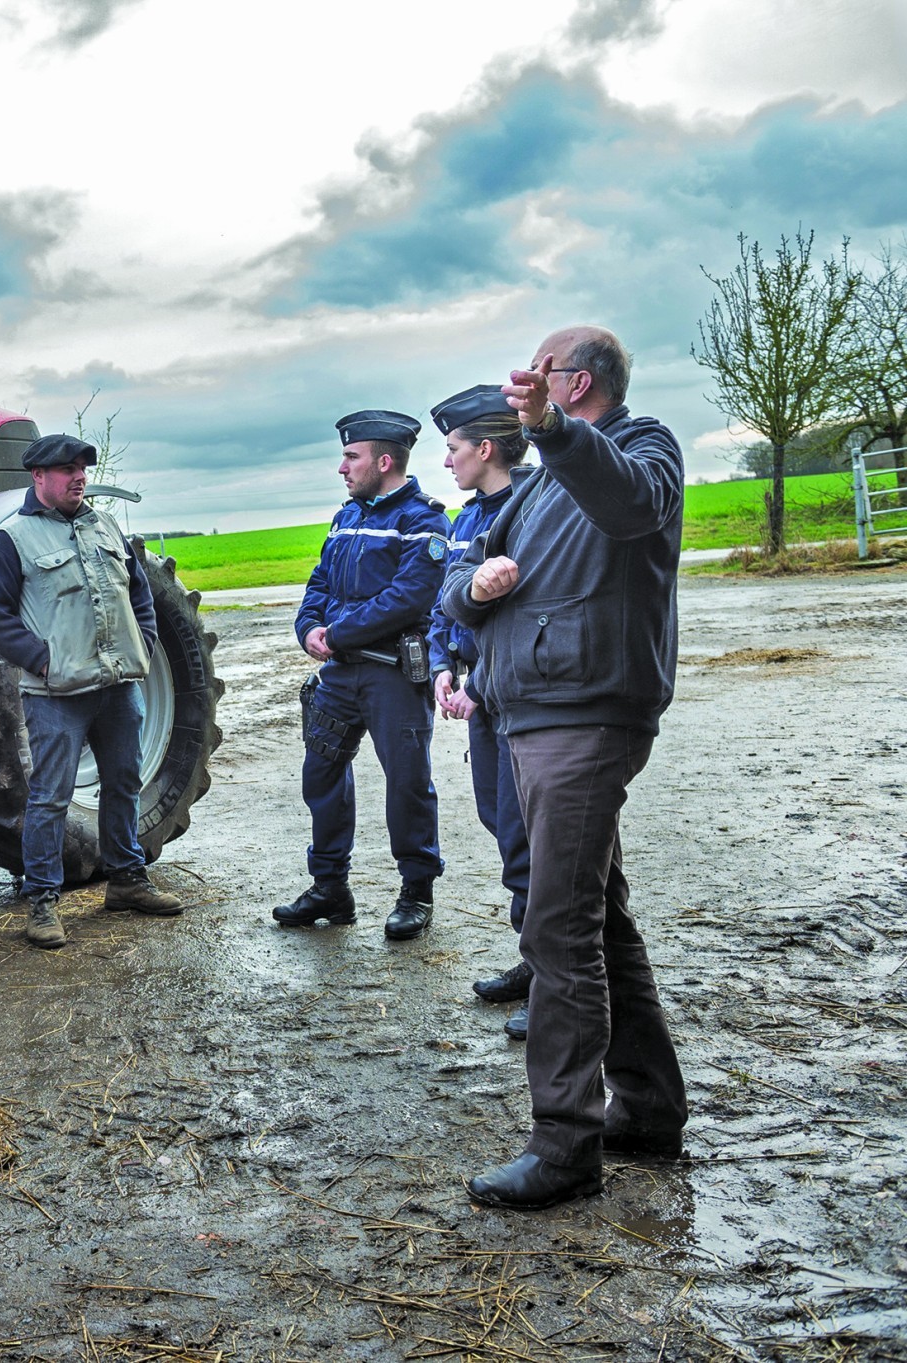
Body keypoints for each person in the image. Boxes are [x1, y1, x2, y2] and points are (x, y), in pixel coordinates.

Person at [442, 327, 689, 1209]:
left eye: (540, 373)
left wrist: (554, 431)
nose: (524, 388)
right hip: (533, 714)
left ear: (575, 383)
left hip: (588, 714)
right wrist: (474, 592)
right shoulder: (535, 489)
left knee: (556, 927)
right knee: (598, 916)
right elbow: (460, 572)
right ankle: (651, 1109)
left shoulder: (639, 448)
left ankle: (564, 1147)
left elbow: (627, 505)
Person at [0, 433, 183, 950]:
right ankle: (42, 900)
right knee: (50, 798)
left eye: (82, 468)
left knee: (124, 783)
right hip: (57, 696)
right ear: (38, 477)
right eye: (66, 469)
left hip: (118, 686)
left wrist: (144, 644)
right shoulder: (12, 538)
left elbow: (140, 596)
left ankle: (127, 881)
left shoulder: (104, 526)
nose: (79, 477)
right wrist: (44, 661)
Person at [277, 410, 450, 939]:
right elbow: (319, 581)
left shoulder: (423, 521)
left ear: (384, 460)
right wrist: (308, 627)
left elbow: (408, 598)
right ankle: (331, 888)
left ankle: (416, 893)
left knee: (407, 785)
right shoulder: (345, 517)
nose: (342, 468)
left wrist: (338, 633)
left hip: (393, 676)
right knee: (322, 778)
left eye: (351, 457)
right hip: (340, 677)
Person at [425, 385, 536, 1039]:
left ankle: (554, 981)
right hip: (477, 696)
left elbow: (521, 620)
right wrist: (444, 667)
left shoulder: (535, 509)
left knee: (533, 842)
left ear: (485, 449)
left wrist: (480, 685)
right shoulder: (466, 521)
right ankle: (535, 961)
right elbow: (447, 605)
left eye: (453, 448)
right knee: (504, 826)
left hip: (511, 696)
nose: (446, 462)